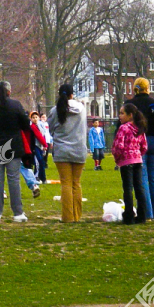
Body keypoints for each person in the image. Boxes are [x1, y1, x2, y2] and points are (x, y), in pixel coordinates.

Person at [0, 81, 30, 223]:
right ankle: (18, 213)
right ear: (9, 91)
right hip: (13, 145)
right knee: (13, 179)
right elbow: (25, 124)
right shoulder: (16, 105)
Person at [126, 78, 154, 220]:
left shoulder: (129, 104)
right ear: (147, 88)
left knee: (142, 177)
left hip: (138, 142)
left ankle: (147, 213)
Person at [48, 84, 87, 223]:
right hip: (79, 149)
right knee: (76, 183)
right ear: (72, 94)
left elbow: (51, 128)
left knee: (66, 183)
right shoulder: (82, 109)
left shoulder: (55, 111)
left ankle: (67, 217)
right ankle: (77, 215)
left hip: (62, 150)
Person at [112, 103, 148, 225]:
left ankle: (128, 215)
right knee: (139, 188)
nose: (119, 116)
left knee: (128, 189)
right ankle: (142, 215)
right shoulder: (140, 128)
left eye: (122, 113)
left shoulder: (123, 128)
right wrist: (138, 155)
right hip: (138, 160)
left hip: (126, 162)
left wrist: (117, 158)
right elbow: (144, 146)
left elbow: (119, 146)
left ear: (130, 115)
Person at [30, 111, 48, 181]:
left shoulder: (40, 126)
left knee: (41, 162)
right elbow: (39, 136)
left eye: (36, 117)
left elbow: (43, 135)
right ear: (31, 119)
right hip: (35, 146)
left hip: (40, 146)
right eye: (33, 117)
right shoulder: (32, 127)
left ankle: (41, 177)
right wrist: (45, 144)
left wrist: (44, 145)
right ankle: (38, 176)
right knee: (39, 161)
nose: (35, 119)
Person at [37, 111, 53, 181]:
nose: (44, 118)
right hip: (42, 141)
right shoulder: (39, 124)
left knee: (46, 154)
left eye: (45, 117)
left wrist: (51, 141)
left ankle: (45, 164)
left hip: (47, 140)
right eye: (42, 117)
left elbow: (48, 132)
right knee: (41, 156)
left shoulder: (47, 124)